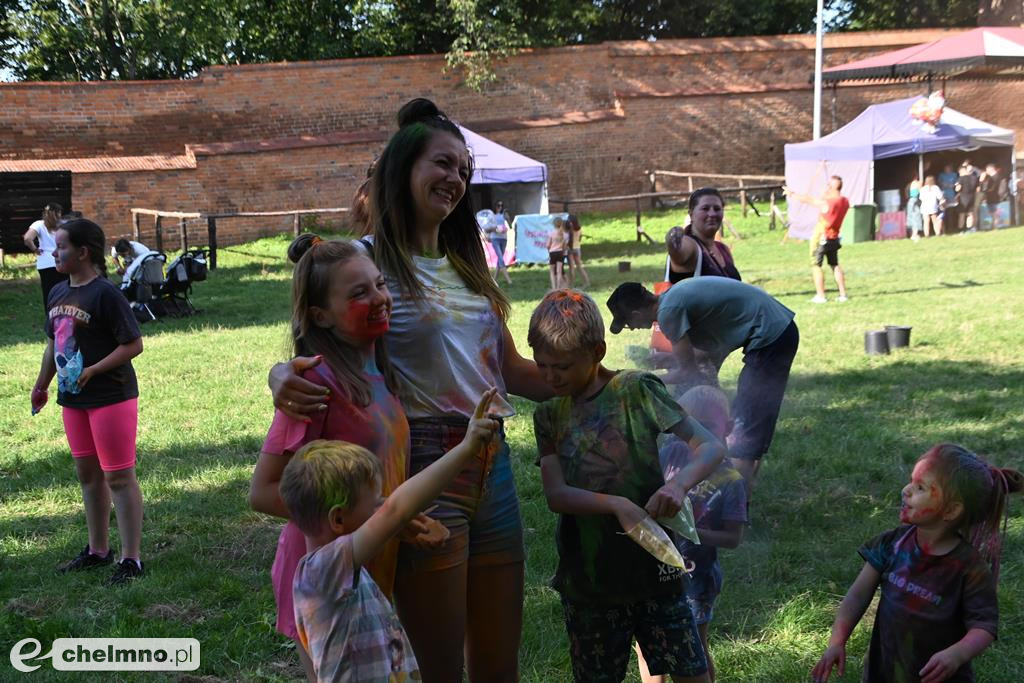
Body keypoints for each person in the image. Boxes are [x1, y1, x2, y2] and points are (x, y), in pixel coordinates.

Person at [269, 98, 552, 683]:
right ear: (403, 169)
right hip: (424, 468)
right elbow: (315, 335)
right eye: (442, 164)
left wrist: (593, 377)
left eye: (464, 171)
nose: (456, 179)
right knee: (440, 667)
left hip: (493, 466)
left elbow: (512, 370)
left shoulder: (469, 269)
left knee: (500, 665)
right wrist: (279, 374)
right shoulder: (368, 262)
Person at [250, 234, 438, 680]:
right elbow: (263, 491)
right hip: (322, 577)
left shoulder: (379, 367)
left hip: (370, 564)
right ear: (321, 316)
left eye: (379, 284)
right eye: (358, 293)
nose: (378, 298)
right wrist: (376, 519)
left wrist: (393, 520)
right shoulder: (314, 384)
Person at [529, 289, 727, 683]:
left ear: (598, 351)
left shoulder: (636, 391)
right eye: (542, 365)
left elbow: (710, 447)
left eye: (562, 367)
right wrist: (616, 504)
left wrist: (679, 486)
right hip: (589, 580)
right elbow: (556, 495)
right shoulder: (549, 414)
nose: (551, 377)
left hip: (656, 576)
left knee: (692, 672)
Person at [281, 389, 500, 683]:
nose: (381, 506)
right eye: (373, 503)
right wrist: (466, 448)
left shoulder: (339, 571)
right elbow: (397, 509)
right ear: (338, 518)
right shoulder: (326, 569)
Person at [811, 443, 1023, 683]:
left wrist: (956, 654)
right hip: (884, 672)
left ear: (951, 510)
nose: (906, 490)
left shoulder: (969, 567)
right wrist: (836, 642)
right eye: (911, 481)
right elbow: (858, 595)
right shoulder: (892, 544)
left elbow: (984, 626)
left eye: (920, 487)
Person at [30, 218, 146, 586]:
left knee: (118, 477)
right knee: (87, 475)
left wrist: (95, 369)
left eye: (61, 246)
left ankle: (132, 559)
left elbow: (133, 344)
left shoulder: (105, 294)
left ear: (82, 252)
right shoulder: (58, 293)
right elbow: (54, 344)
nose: (54, 251)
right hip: (73, 400)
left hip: (111, 396)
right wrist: (42, 384)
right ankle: (98, 551)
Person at [606, 276, 799, 485]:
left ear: (636, 314)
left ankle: (736, 503)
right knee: (756, 418)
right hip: (778, 328)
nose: (632, 328)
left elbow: (687, 373)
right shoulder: (672, 297)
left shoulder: (668, 312)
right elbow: (707, 352)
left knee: (746, 424)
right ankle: (743, 489)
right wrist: (671, 359)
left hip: (771, 335)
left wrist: (642, 381)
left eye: (628, 324)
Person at [637, 386, 747, 683]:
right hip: (656, 570)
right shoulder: (669, 453)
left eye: (708, 427)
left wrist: (691, 531)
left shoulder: (731, 481)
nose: (692, 441)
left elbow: (733, 539)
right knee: (648, 641)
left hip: (697, 578)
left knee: (693, 647)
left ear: (728, 428)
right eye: (687, 428)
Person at [783, 176, 849, 303]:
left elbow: (808, 200)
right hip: (834, 237)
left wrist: (791, 194)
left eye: (828, 186)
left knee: (816, 265)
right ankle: (843, 294)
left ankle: (821, 296)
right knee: (834, 264)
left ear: (832, 187)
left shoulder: (828, 203)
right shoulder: (845, 201)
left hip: (822, 238)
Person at [664, 188, 741, 284]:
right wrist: (674, 240)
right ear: (691, 214)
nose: (712, 214)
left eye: (717, 209)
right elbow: (678, 253)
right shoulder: (691, 245)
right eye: (705, 208)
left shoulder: (723, 249)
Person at [23, 203, 68, 311]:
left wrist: (35, 249)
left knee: (48, 291)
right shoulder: (65, 224)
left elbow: (27, 238)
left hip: (45, 263)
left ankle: (51, 316)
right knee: (66, 290)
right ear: (59, 213)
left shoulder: (38, 224)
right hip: (63, 260)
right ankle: (67, 314)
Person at [485, 200, 512, 285]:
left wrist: (508, 219)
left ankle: (494, 280)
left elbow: (510, 226)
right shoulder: (491, 216)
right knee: (500, 258)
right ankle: (509, 280)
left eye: (501, 205)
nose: (500, 207)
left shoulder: (503, 215)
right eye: (498, 205)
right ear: (495, 206)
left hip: (504, 238)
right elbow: (486, 229)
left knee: (499, 260)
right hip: (495, 238)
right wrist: (495, 229)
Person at [565, 214, 591, 288]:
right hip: (578, 249)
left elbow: (567, 240)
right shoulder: (579, 229)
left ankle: (570, 285)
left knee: (571, 268)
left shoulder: (569, 229)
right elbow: (580, 239)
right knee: (579, 267)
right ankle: (586, 282)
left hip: (570, 249)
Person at [955, 162, 980, 232]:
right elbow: (978, 189)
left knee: (962, 215)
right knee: (970, 214)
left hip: (963, 198)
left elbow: (958, 189)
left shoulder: (961, 178)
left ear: (962, 171)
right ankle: (970, 229)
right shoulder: (974, 178)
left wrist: (956, 187)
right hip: (972, 197)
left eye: (959, 172)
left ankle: (961, 230)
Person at [547, 216, 568, 290]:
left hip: (552, 253)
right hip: (560, 253)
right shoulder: (564, 234)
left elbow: (548, 245)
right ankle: (559, 287)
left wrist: (548, 250)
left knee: (552, 272)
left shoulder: (551, 233)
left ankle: (554, 288)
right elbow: (565, 246)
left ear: (554, 224)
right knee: (559, 271)